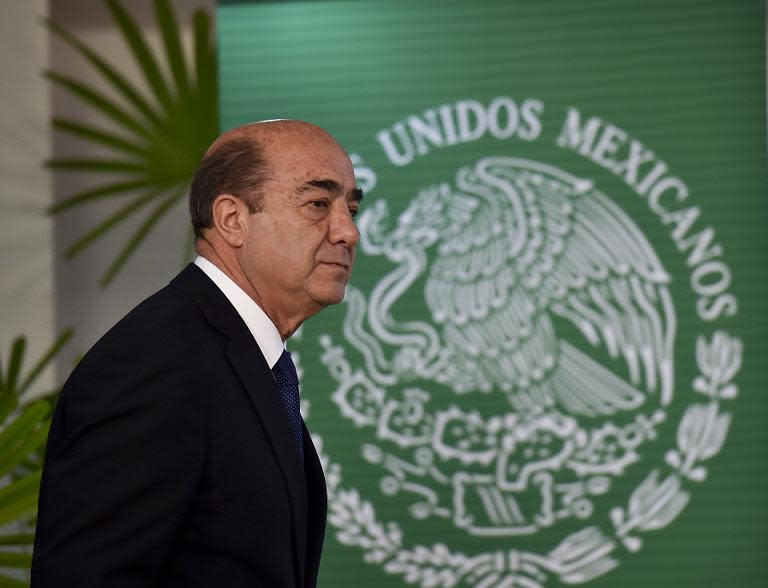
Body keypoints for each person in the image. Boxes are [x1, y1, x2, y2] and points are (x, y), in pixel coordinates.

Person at [31, 120, 363, 587]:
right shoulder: (153, 365)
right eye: (317, 204)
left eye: (350, 207)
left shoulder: (240, 357)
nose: (348, 232)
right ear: (232, 220)